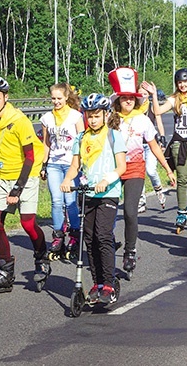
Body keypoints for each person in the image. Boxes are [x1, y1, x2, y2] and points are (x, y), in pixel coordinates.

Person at [0, 77, 50, 293]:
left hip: (25, 174)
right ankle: (5, 271)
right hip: (1, 177)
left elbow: (29, 156)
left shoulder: (19, 120)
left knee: (27, 224)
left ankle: (41, 256)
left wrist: (17, 188)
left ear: (6, 97)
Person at [107, 67, 176, 276]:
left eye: (131, 98)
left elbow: (154, 146)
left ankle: (130, 250)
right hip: (112, 170)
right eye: (124, 97)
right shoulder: (110, 119)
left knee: (129, 211)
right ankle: (108, 244)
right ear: (118, 99)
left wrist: (168, 169)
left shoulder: (143, 120)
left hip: (135, 168)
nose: (128, 101)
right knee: (107, 214)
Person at [60, 93, 127, 304]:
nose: (93, 120)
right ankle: (97, 283)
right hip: (87, 192)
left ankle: (109, 283)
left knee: (103, 235)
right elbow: (75, 166)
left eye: (97, 115)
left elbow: (121, 166)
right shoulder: (81, 138)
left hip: (108, 193)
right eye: (89, 116)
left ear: (106, 115)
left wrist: (107, 180)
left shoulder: (114, 136)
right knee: (88, 238)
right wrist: (68, 180)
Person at [142, 69, 187, 234]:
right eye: (179, 82)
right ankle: (181, 212)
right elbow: (157, 112)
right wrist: (154, 96)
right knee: (182, 180)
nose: (183, 85)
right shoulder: (174, 99)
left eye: (185, 82)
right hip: (179, 143)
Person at [39, 83, 84, 260]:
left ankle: (74, 235)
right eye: (53, 98)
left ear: (66, 98)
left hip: (71, 164)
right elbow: (46, 143)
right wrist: (43, 165)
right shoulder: (46, 118)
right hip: (54, 164)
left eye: (59, 98)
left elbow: (83, 140)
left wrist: (82, 164)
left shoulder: (75, 116)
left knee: (71, 202)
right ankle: (58, 236)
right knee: (57, 201)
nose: (56, 102)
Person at [136, 84, 168, 213]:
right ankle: (141, 200)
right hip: (137, 145)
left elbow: (159, 120)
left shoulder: (151, 107)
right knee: (140, 173)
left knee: (151, 170)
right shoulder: (133, 108)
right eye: (140, 93)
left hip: (150, 144)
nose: (142, 96)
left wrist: (163, 138)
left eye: (145, 93)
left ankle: (158, 189)